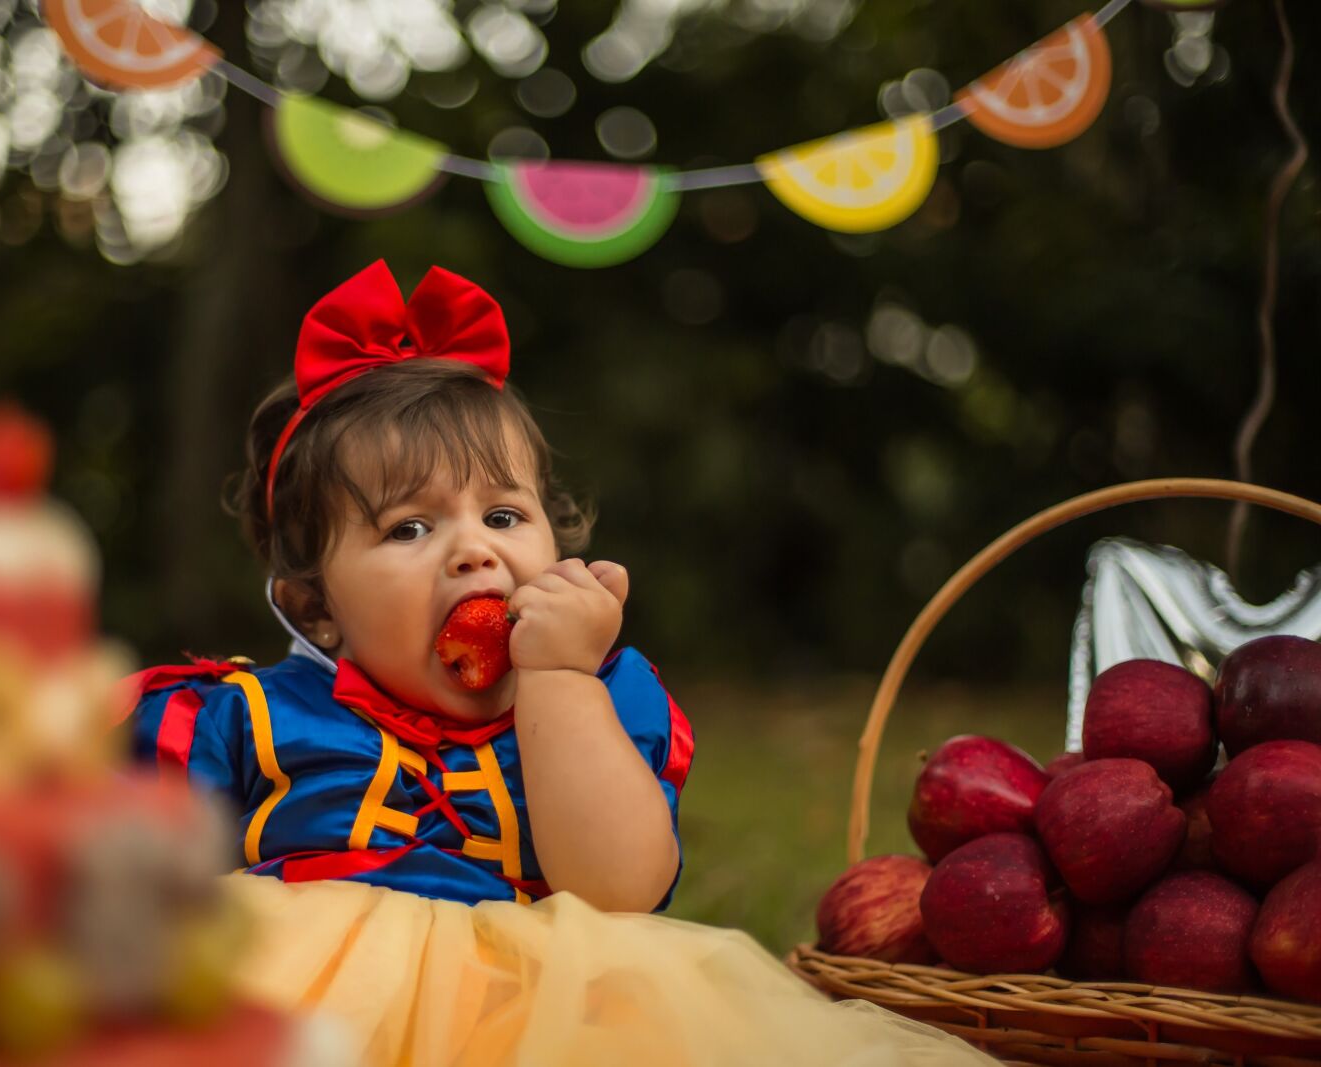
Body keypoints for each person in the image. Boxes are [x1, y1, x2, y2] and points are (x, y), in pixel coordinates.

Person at [124, 261, 994, 1066]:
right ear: (316, 605)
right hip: (315, 1004)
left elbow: (618, 889)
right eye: (410, 528)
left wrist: (560, 677)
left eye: (504, 516)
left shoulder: (599, 697)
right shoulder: (249, 716)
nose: (474, 551)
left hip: (548, 1009)